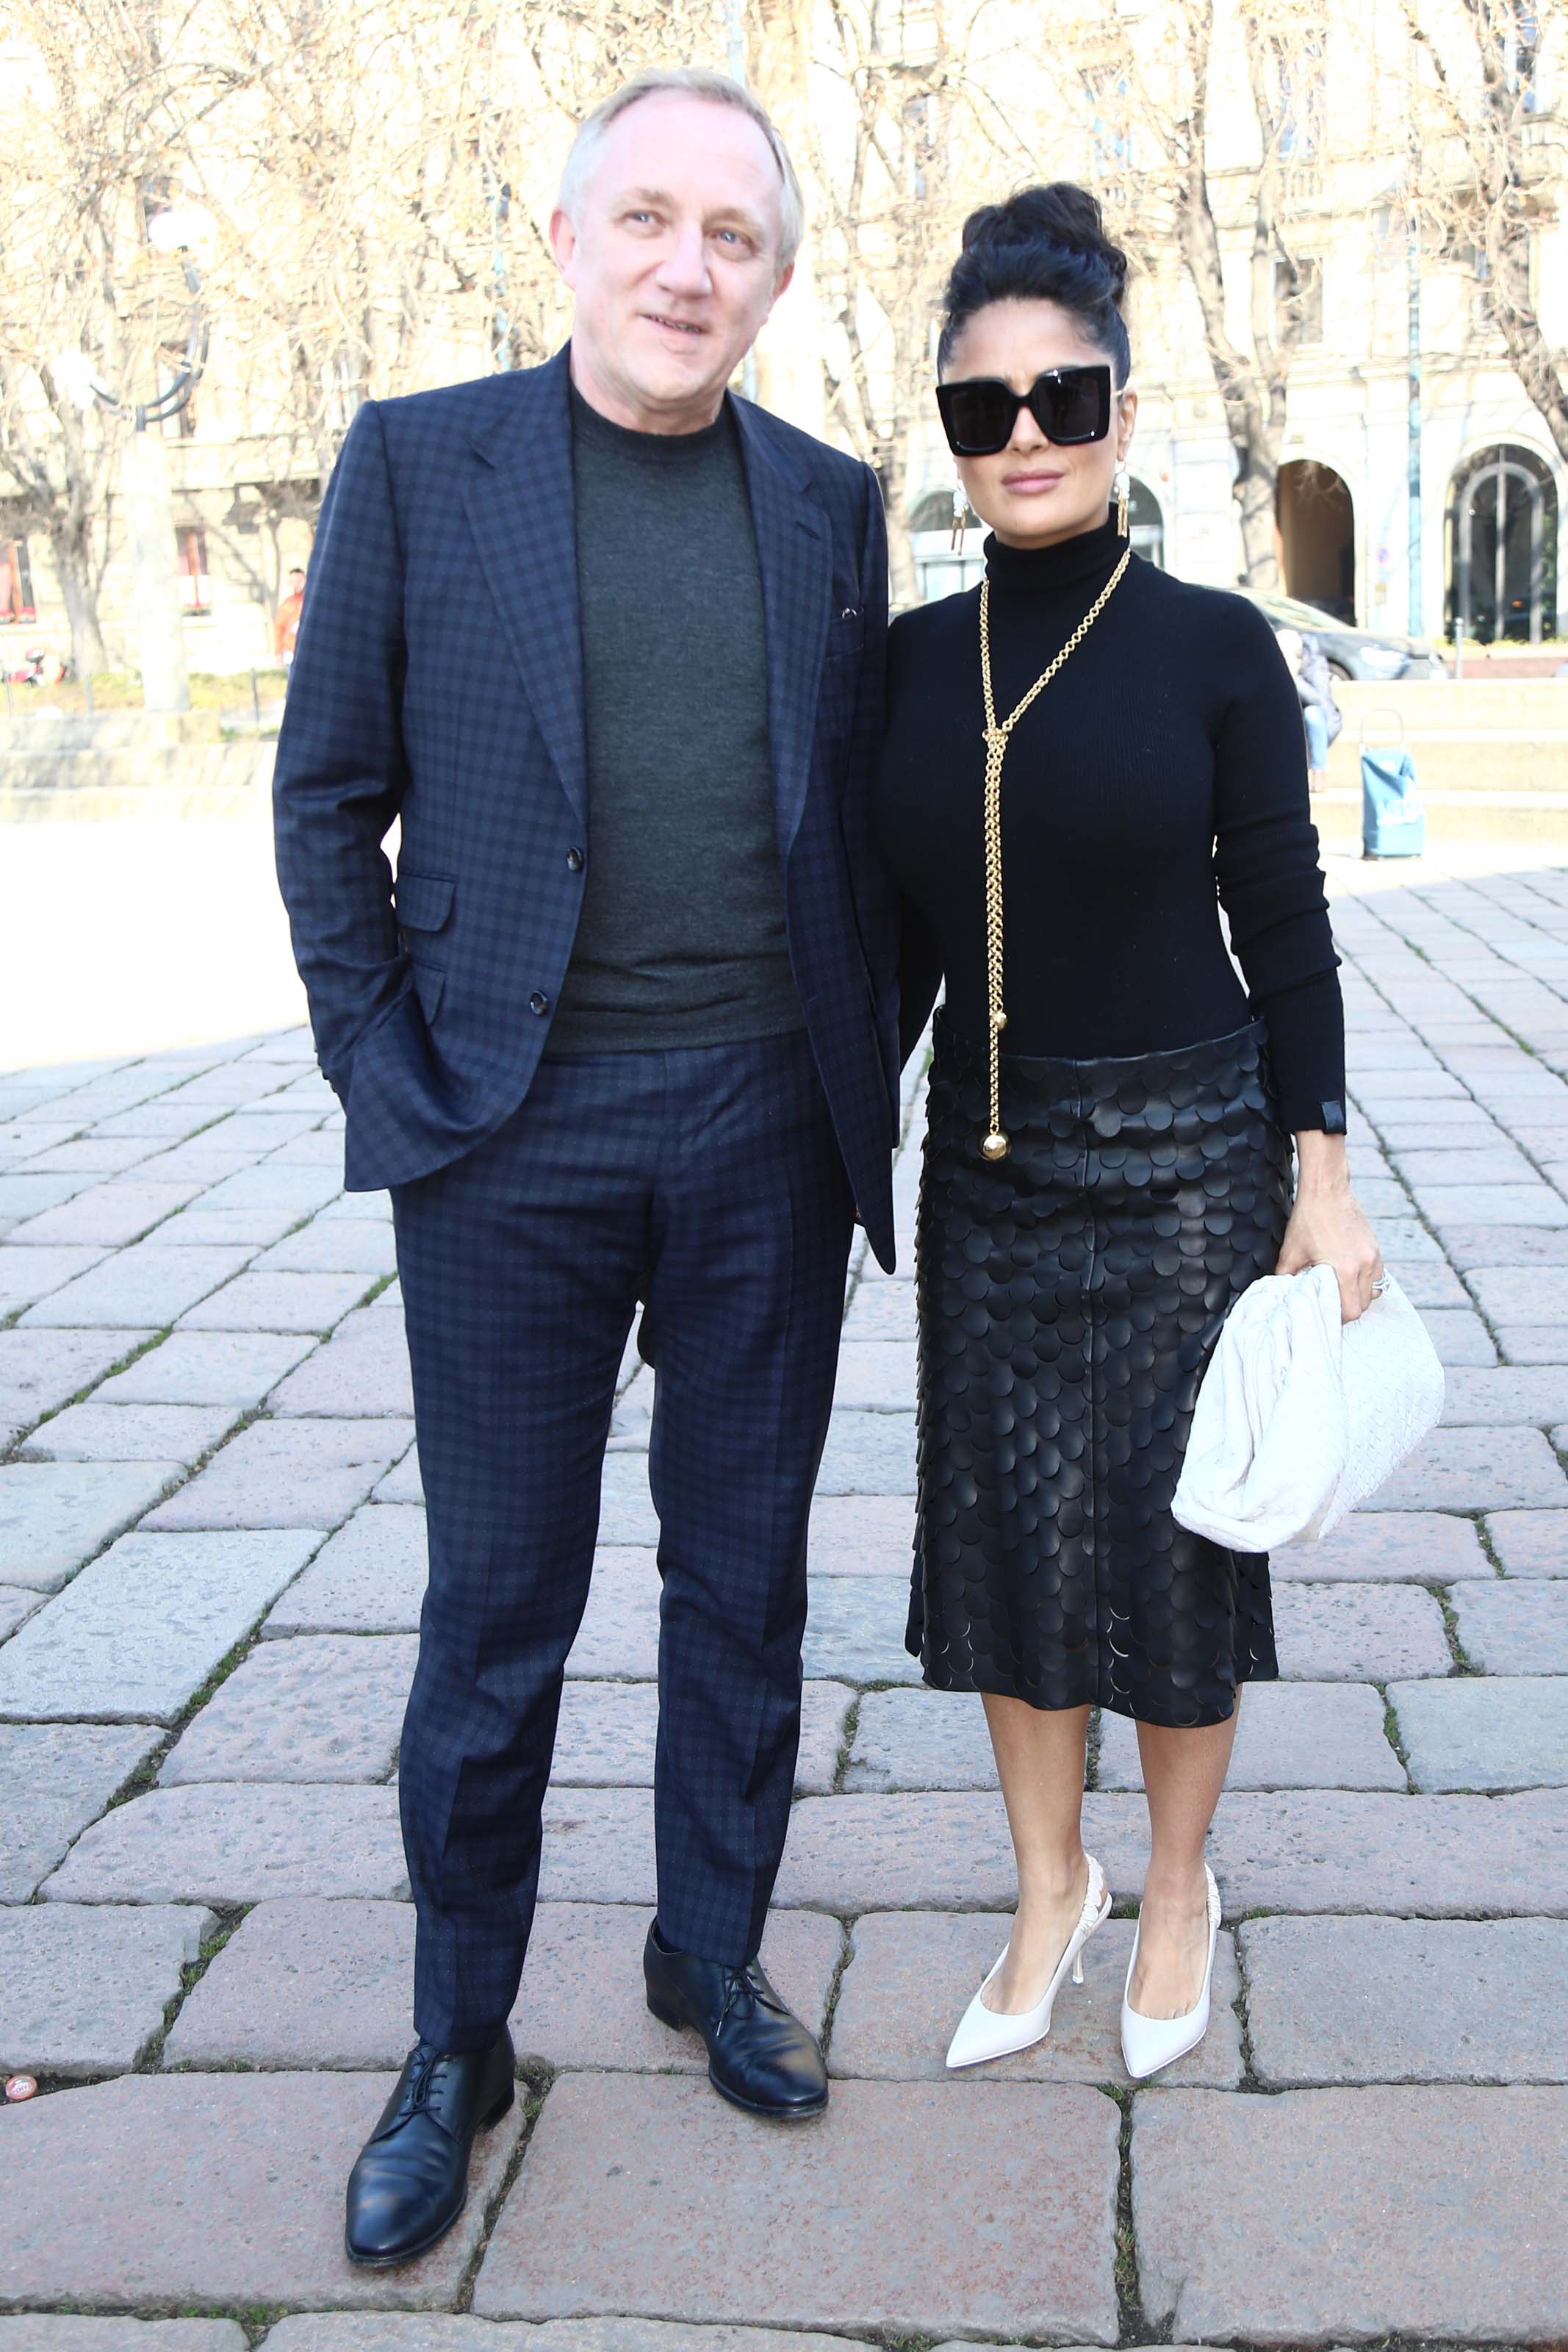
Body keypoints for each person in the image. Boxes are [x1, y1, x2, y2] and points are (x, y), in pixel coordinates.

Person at [273, 67, 898, 2269]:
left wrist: (868, 1069)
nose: (684, 267)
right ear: (566, 243)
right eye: (647, 219)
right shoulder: (423, 465)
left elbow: (874, 826)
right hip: (508, 1135)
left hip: (763, 1135)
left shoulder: (832, 504)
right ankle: (459, 2029)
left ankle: (706, 1946)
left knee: (742, 1579)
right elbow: (324, 792)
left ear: (776, 280)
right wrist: (389, 1066)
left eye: (731, 237)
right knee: (499, 1604)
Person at [872, 185, 1381, 2082]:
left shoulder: (1210, 652)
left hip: (1188, 1165)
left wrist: (1314, 1176)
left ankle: (1173, 1882)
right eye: (978, 408)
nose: (1021, 439)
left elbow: (1287, 920)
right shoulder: (909, 666)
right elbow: (897, 954)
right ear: (942, 427)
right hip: (989, 1172)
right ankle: (1044, 1883)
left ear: (1118, 411)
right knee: (1001, 1542)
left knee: (1174, 1551)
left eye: (1059, 397)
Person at [1275, 623, 1341, 792]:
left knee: (1312, 714)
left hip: (1321, 723)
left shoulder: (1314, 664)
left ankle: (1319, 771)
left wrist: (1293, 677)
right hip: (1290, 723)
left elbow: (1320, 700)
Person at [273, 566, 306, 667]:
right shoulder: (287, 604)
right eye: (293, 581)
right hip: (291, 652)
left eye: (299, 580)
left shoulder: (311, 601)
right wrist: (278, 653)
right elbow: (279, 628)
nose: (297, 584)